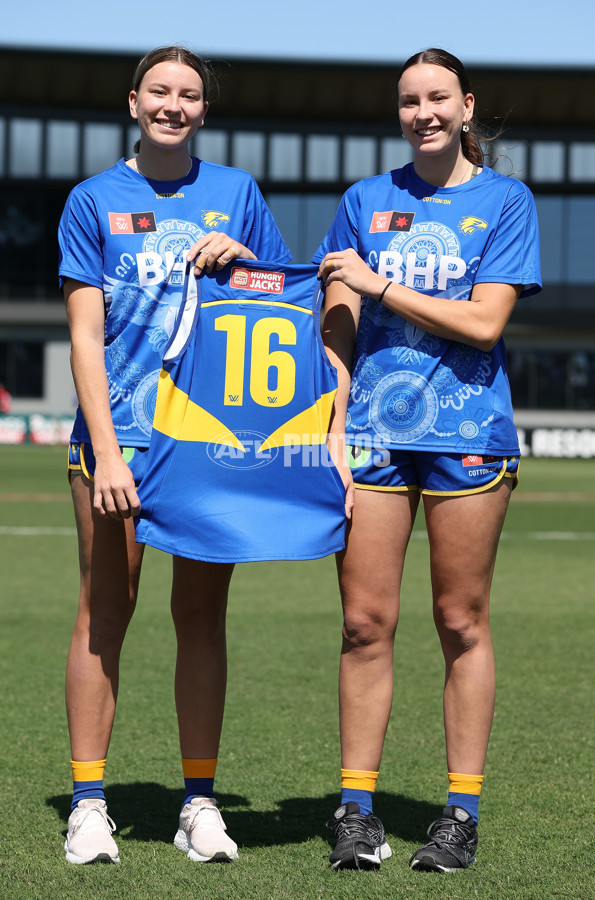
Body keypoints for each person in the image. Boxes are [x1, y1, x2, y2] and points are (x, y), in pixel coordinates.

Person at [59, 45, 291, 866]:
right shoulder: (92, 200)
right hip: (117, 443)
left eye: (189, 94)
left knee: (201, 618)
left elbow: (276, 306)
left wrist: (245, 263)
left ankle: (199, 804)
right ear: (133, 102)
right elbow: (85, 338)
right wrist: (109, 451)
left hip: (204, 446)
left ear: (203, 109)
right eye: (160, 90)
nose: (174, 104)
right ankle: (89, 804)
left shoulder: (238, 193)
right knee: (104, 619)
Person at [314, 48, 541, 873]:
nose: (423, 112)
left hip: (469, 437)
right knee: (363, 625)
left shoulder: (505, 201)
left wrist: (380, 287)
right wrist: (332, 421)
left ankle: (459, 815)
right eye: (409, 100)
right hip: (370, 439)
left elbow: (485, 325)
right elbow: (336, 319)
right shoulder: (364, 201)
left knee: (460, 622)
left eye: (438, 97)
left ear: (467, 105)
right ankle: (357, 810)